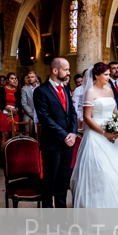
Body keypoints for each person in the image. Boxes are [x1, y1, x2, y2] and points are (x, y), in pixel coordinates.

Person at [70, 62, 118, 208]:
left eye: (108, 74)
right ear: (96, 76)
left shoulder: (109, 89)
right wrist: (104, 133)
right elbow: (87, 117)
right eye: (105, 75)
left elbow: (114, 112)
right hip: (96, 136)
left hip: (112, 135)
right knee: (103, 173)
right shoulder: (90, 91)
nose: (108, 77)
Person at [34, 58, 77, 208]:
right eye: (66, 69)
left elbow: (72, 113)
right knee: (50, 182)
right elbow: (45, 119)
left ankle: (61, 216)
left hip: (67, 144)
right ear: (55, 70)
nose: (68, 72)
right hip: (52, 144)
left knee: (63, 182)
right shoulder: (41, 91)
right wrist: (64, 135)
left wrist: (73, 133)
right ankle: (49, 220)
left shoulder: (65, 89)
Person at [0, 73, 21, 148]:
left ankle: (12, 157)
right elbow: (1, 103)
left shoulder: (17, 91)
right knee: (5, 137)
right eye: (12, 78)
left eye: (15, 78)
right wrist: (8, 108)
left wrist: (16, 109)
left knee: (13, 137)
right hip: (5, 114)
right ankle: (4, 157)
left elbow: (19, 104)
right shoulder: (2, 90)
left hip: (14, 114)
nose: (14, 80)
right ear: (7, 80)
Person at [20, 70, 38, 135]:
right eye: (28, 77)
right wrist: (33, 115)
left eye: (32, 77)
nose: (30, 78)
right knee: (28, 136)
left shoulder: (40, 88)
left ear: (36, 78)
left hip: (39, 115)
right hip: (28, 115)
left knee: (37, 136)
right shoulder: (24, 89)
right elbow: (24, 104)